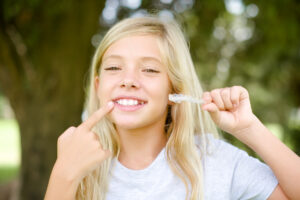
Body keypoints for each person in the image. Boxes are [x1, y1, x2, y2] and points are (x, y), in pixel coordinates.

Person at [44, 16, 300, 200]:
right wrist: (64, 172)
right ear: (98, 86)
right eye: (113, 67)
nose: (128, 80)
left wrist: (250, 129)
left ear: (174, 90)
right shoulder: (77, 162)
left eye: (149, 69)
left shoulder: (214, 161)